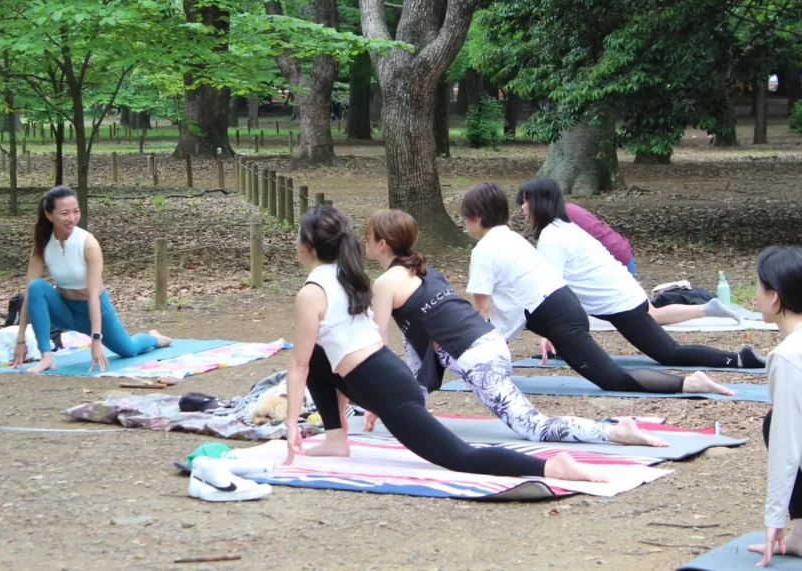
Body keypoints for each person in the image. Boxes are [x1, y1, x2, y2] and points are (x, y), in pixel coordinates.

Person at [283, 206, 606, 483]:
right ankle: (336, 438)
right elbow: (324, 358)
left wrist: (291, 426)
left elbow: (298, 367)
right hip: (380, 377)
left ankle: (550, 467)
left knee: (460, 456)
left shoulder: (313, 292)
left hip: (387, 389)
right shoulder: (346, 277)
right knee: (318, 352)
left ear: (307, 246)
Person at [363, 208, 666, 446]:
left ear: (382, 244)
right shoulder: (426, 272)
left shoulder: (386, 284)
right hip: (490, 344)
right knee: (531, 423)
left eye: (367, 236)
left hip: (479, 360)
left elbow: (379, 349)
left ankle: (613, 432)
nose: (364, 242)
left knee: (535, 427)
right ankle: (614, 430)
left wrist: (379, 397)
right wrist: (405, 407)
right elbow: (418, 351)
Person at [459, 183, 731, 396]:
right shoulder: (512, 238)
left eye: (465, 218)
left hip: (564, 318)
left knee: (614, 378)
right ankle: (714, 370)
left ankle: (690, 383)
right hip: (566, 309)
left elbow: (483, 313)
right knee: (637, 364)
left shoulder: (486, 250)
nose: (464, 224)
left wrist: (470, 356)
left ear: (477, 216)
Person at [516, 177, 764, 372]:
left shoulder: (553, 236)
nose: (523, 207)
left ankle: (739, 358)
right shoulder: (562, 228)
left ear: (540, 202)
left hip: (621, 302)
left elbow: (552, 292)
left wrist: (550, 333)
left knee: (669, 353)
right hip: (622, 294)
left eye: (526, 201)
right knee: (667, 348)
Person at [11, 185, 171, 374]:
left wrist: (96, 339)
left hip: (93, 309)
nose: (72, 218)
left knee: (128, 349)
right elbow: (29, 294)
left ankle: (155, 338)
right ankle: (46, 356)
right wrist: (20, 339)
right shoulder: (43, 244)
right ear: (49, 215)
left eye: (76, 211)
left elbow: (94, 296)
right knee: (36, 287)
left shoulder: (88, 243)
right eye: (64, 213)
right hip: (64, 310)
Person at [553, 200, 741, 326]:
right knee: (647, 313)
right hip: (621, 257)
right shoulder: (568, 209)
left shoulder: (559, 218)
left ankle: (706, 309)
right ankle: (706, 309)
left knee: (649, 316)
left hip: (615, 262)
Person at [748, 246, 802, 567]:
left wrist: (774, 519)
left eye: (758, 288)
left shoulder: (789, 356)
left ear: (774, 297)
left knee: (776, 423)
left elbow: (787, 442)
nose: (755, 297)